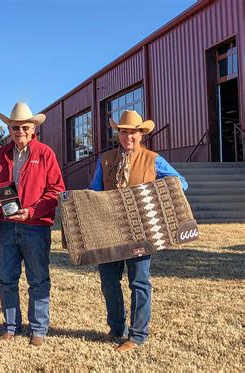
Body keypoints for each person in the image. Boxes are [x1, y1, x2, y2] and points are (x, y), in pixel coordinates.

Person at [89, 110, 188, 352]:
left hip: (141, 230)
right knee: (109, 281)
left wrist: (152, 193)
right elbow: (94, 189)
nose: (128, 137)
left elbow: (181, 183)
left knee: (139, 281)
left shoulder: (154, 160)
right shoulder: (106, 159)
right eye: (124, 132)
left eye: (133, 132)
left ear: (141, 134)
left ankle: (138, 335)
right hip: (109, 228)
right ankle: (116, 328)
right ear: (118, 134)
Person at [0, 102, 65, 346]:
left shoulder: (45, 154)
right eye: (15, 127)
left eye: (24, 127)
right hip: (7, 225)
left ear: (33, 129)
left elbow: (56, 191)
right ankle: (11, 326)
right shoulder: (1, 154)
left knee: (38, 279)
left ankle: (38, 329)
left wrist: (31, 211)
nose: (19, 131)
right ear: (9, 129)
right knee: (5, 277)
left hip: (36, 225)